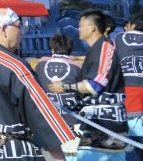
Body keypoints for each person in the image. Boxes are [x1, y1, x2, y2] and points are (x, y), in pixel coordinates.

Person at [0, 8, 73, 161]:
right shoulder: (14, 65)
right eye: (19, 26)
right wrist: (59, 156)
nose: (21, 32)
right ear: (5, 29)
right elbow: (40, 112)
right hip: (14, 151)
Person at [48, 9, 129, 160]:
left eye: (81, 24)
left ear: (92, 27)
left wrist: (64, 87)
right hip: (93, 121)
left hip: (106, 123)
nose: (78, 28)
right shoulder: (96, 49)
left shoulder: (105, 48)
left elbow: (95, 85)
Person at [109, 14, 143, 161]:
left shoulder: (119, 38)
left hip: (127, 89)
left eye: (127, 25)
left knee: (126, 129)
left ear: (133, 26)